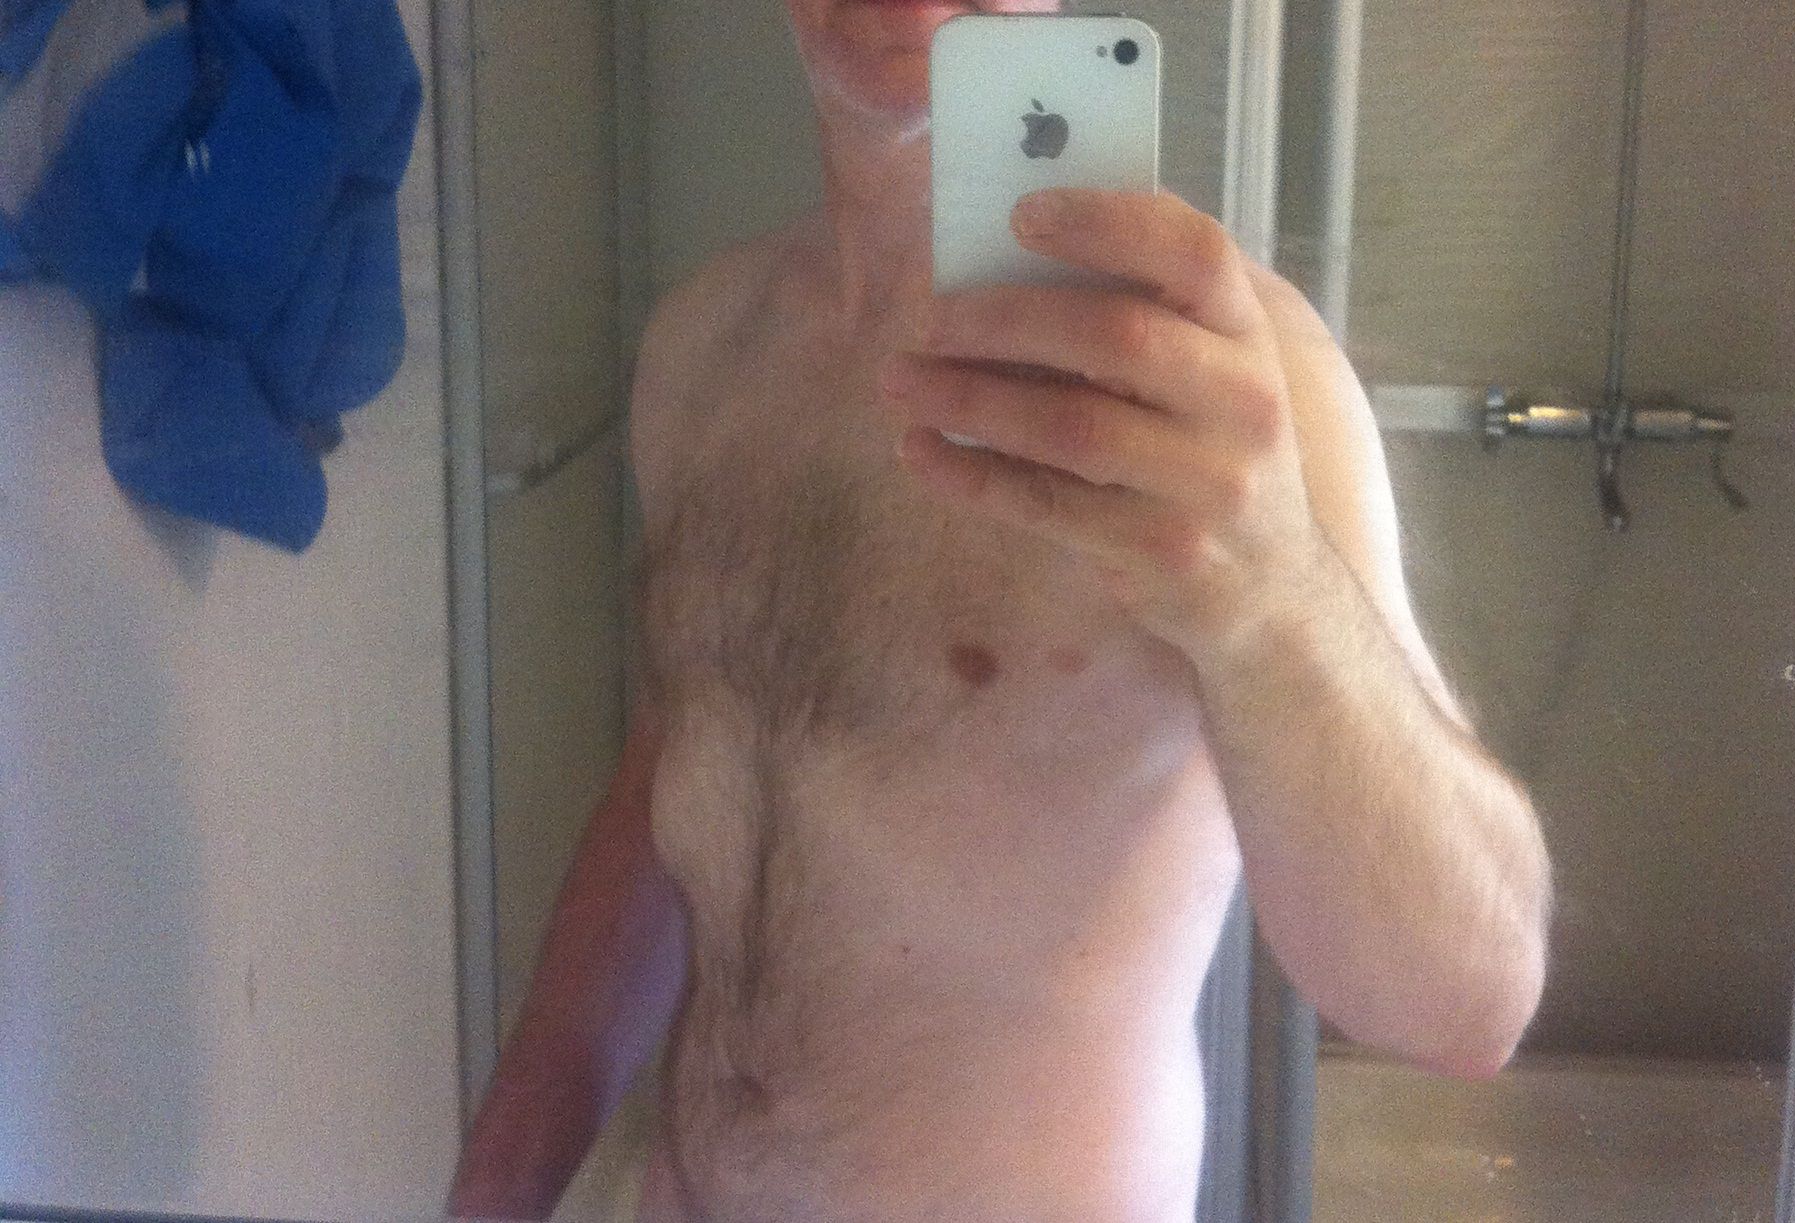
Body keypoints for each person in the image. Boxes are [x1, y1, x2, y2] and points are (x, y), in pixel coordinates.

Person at [448, 2, 1552, 1219]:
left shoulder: (1214, 385)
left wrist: (1271, 592)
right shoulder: (702, 345)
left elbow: (1464, 1003)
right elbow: (680, 765)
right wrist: (513, 1149)